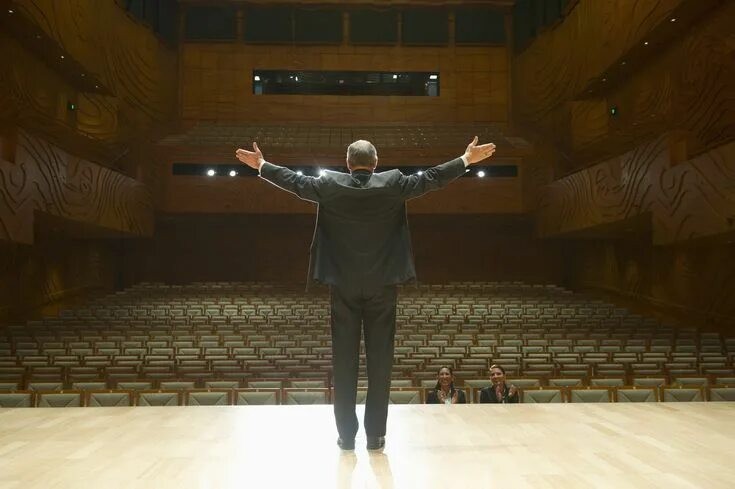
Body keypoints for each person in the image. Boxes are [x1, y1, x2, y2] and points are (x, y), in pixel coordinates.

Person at [235, 137, 496, 451]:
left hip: (342, 284)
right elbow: (431, 178)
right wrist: (465, 159)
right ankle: (375, 436)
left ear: (348, 163)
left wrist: (262, 165)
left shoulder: (330, 185)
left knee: (344, 364)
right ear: (375, 163)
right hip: (382, 285)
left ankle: (346, 436)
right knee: (380, 363)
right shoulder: (393, 184)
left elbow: (295, 182)